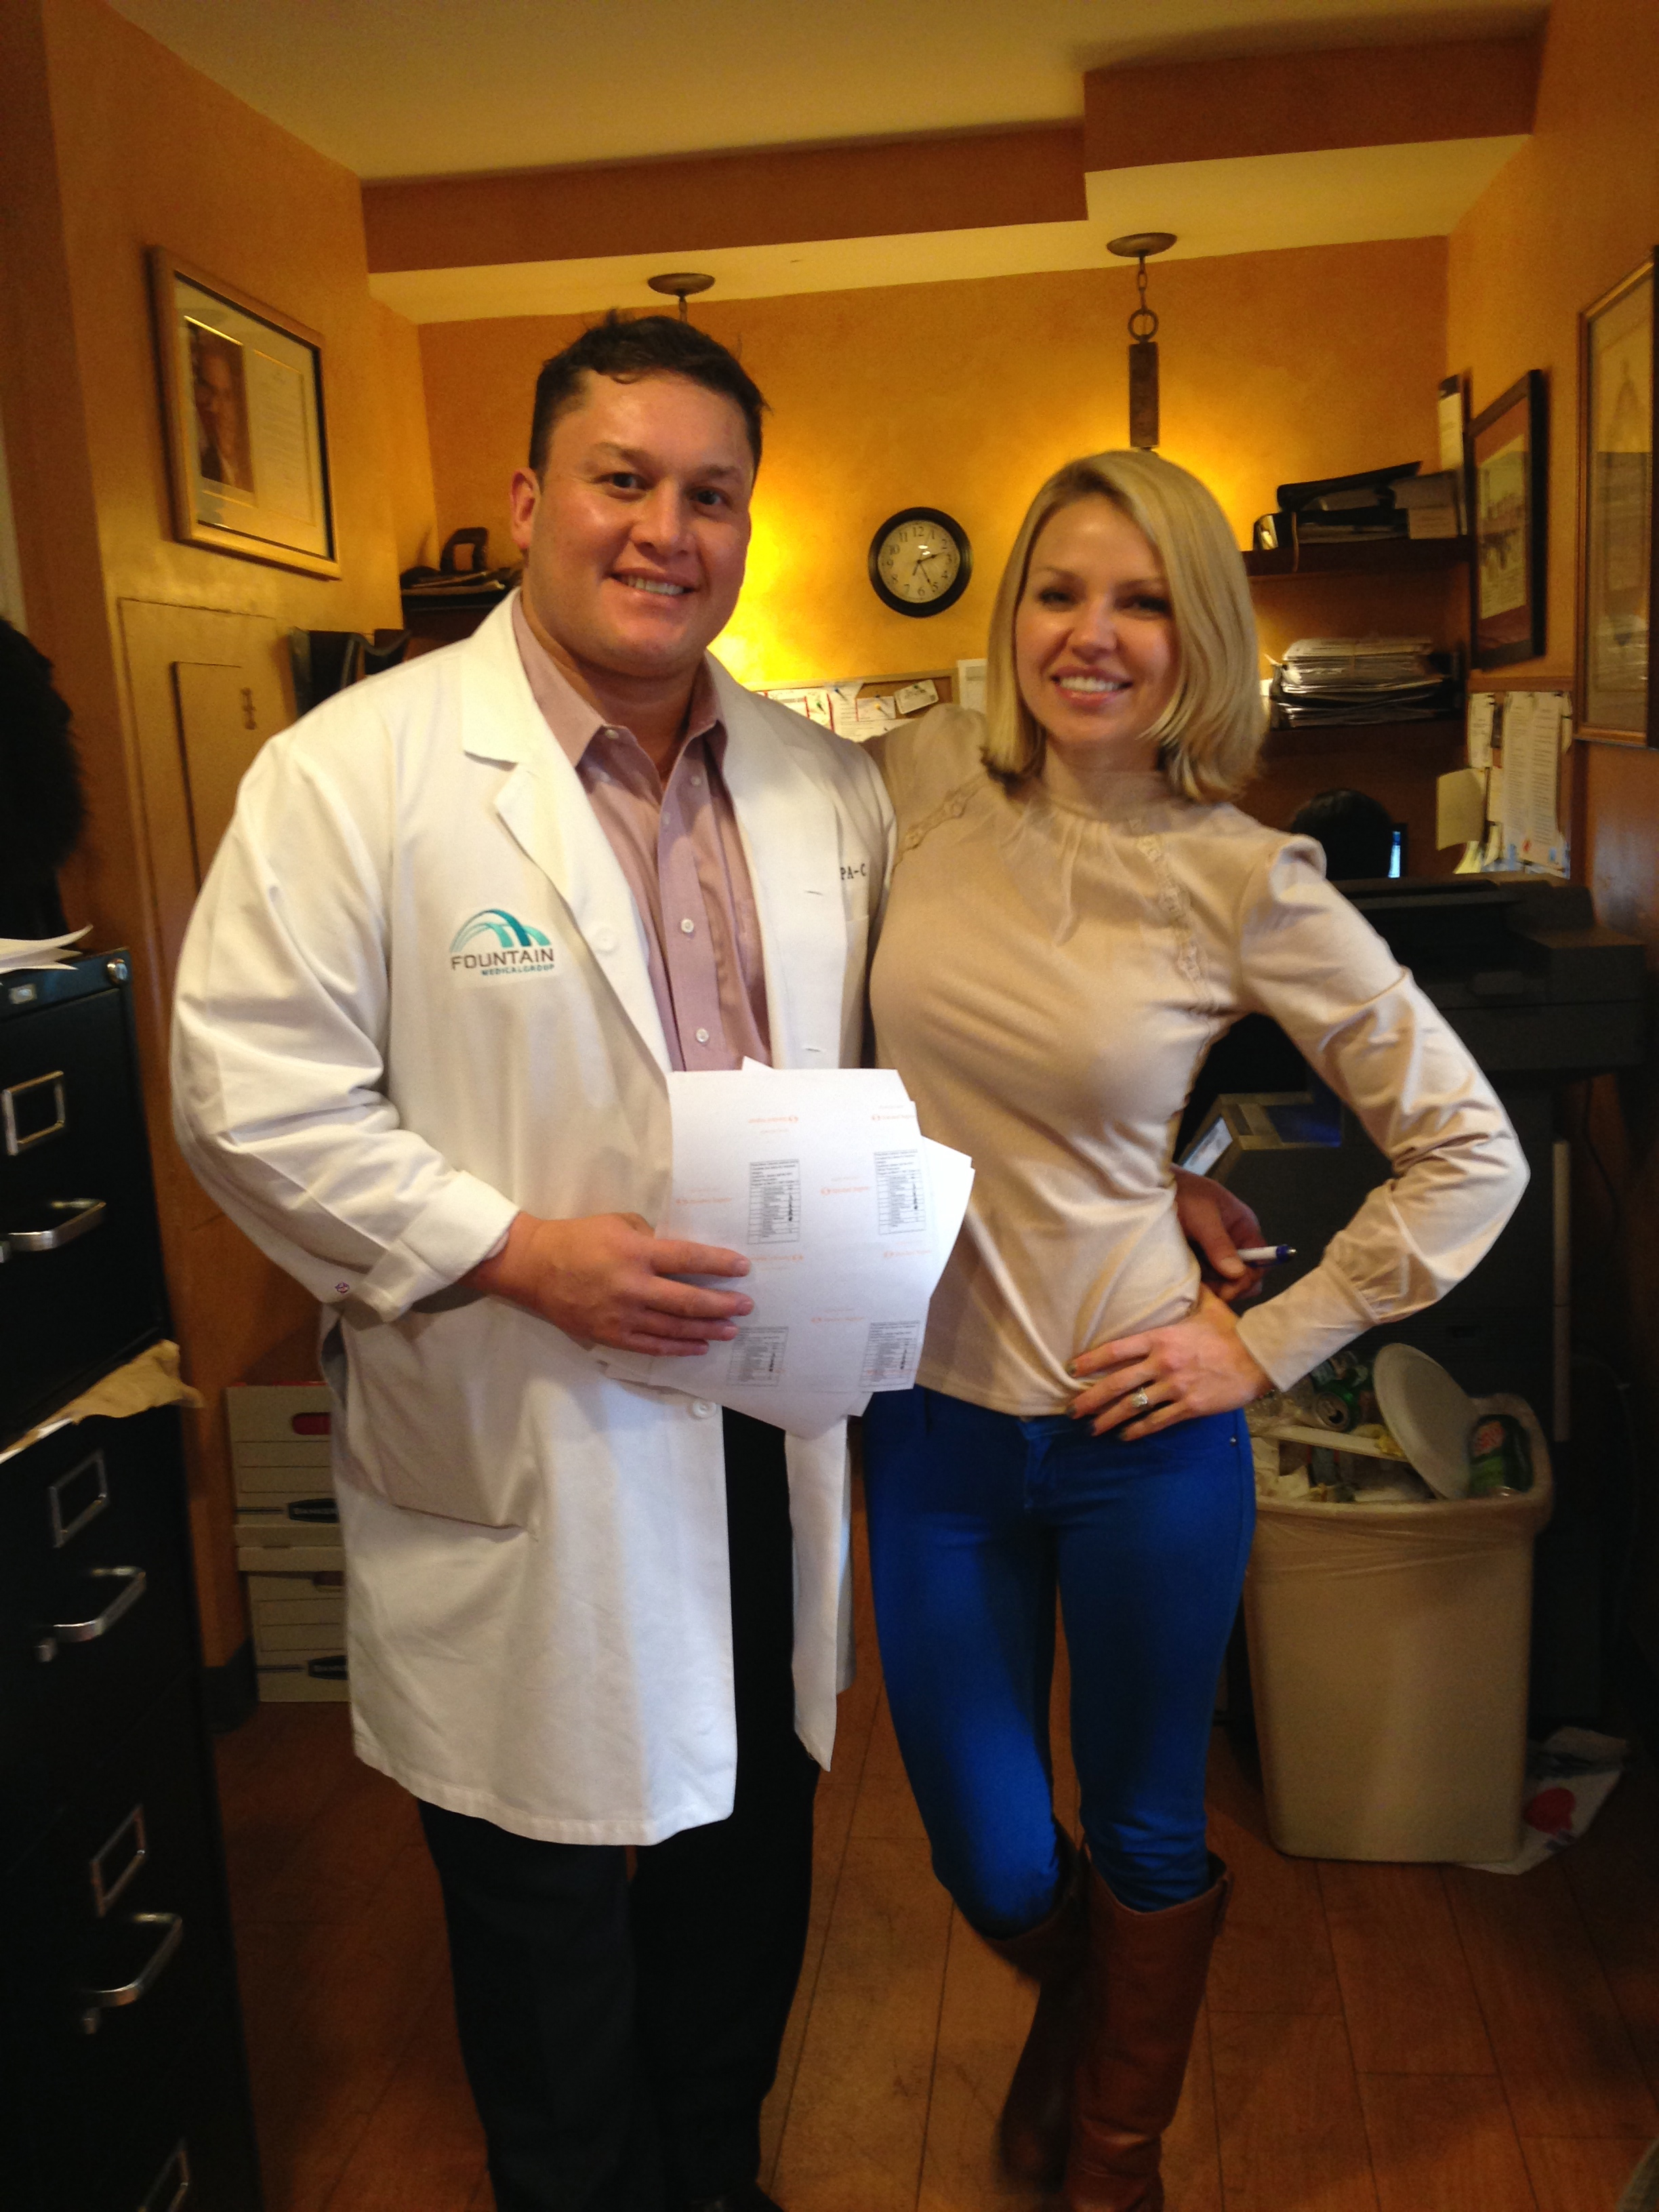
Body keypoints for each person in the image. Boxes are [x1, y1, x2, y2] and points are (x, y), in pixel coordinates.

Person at [171, 324, 1253, 2212]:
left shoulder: (825, 789)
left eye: (711, 493)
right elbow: (247, 1101)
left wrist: (1162, 1178)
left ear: (748, 521)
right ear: (528, 500)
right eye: (621, 479)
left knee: (747, 1877)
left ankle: (718, 2178)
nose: (666, 529)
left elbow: (976, 1043)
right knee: (537, 1925)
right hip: (522, 1438)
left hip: (775, 1420)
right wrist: (514, 1252)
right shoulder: (356, 778)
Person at [859, 449, 1527, 2212]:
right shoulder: (915, 791)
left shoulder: (1249, 878)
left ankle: (1111, 2160)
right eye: (1058, 591)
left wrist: (1268, 1342)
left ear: (1199, 635)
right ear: (1009, 616)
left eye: (1141, 598)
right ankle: (1094, 2024)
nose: (1091, 634)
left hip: (1143, 1428)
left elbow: (1470, 1154)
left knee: (1150, 1823)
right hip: (925, 1423)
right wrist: (1177, 1165)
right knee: (992, 1854)